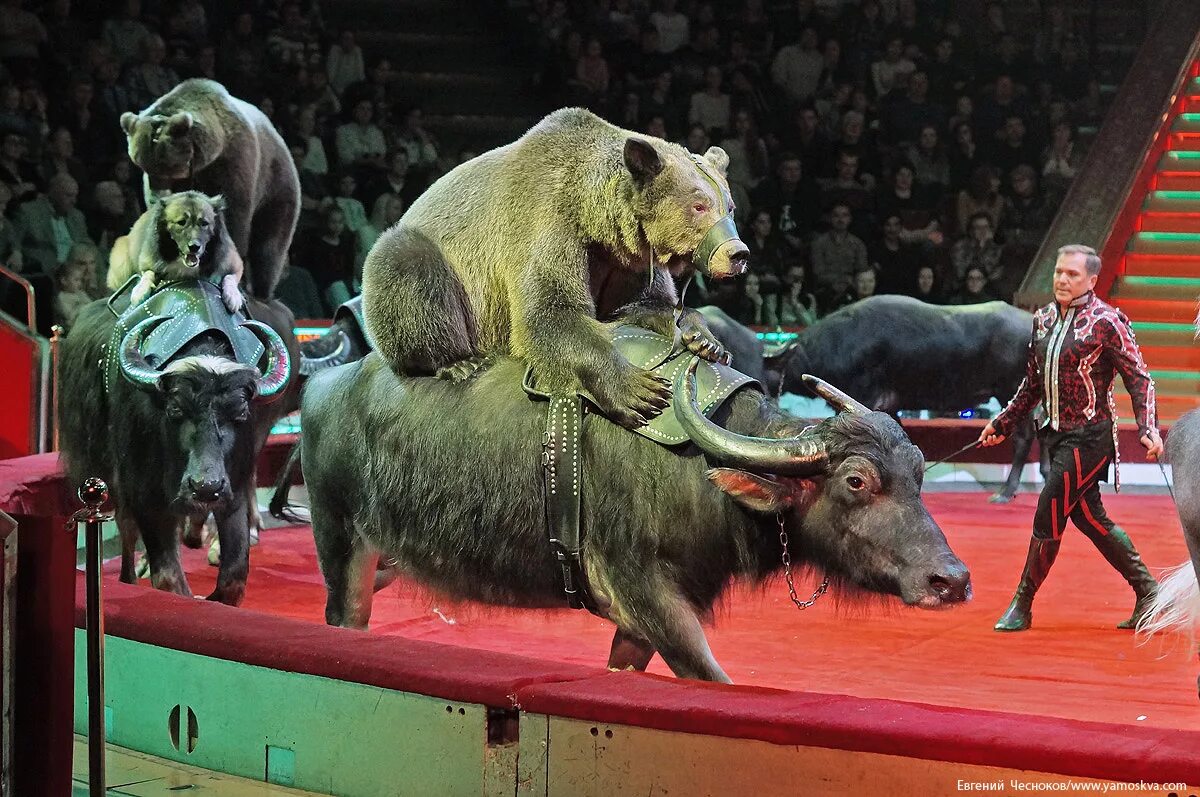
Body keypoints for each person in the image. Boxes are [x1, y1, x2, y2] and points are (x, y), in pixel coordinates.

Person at [979, 244, 1161, 632]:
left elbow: (1139, 378)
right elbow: (1032, 384)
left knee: (1049, 511)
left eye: (1072, 274)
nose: (1062, 279)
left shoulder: (1107, 322)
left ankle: (1022, 603)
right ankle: (1149, 592)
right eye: (1059, 272)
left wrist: (1147, 428)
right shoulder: (1042, 319)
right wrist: (1003, 423)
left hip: (1091, 437)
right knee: (1089, 517)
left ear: (1092, 280)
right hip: (1056, 436)